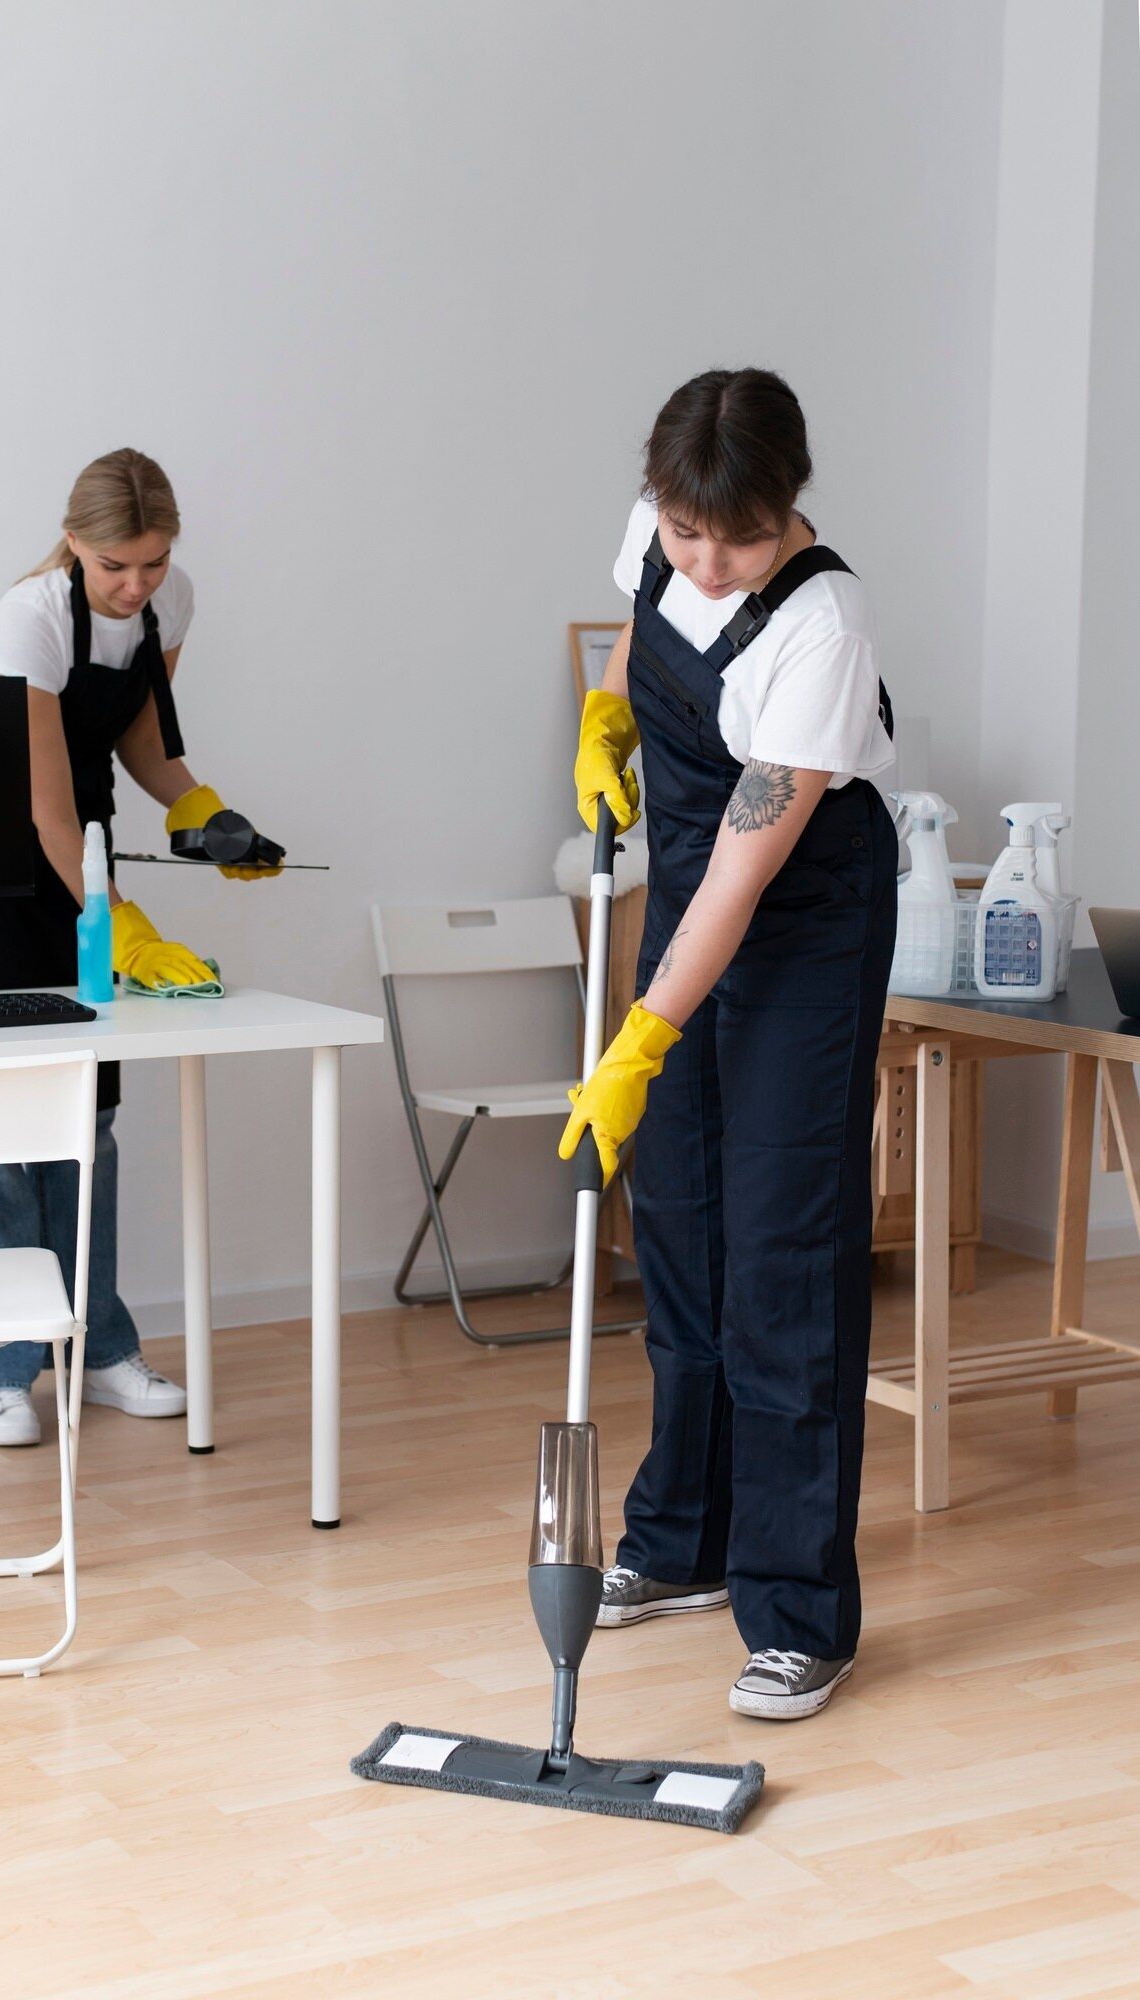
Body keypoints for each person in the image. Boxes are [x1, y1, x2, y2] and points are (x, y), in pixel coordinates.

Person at [561, 369, 897, 1720]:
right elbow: (632, 642)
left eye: (737, 538)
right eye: (687, 530)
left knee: (779, 1246)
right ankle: (677, 1538)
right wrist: (604, 719)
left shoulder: (821, 622)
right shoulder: (656, 529)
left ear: (787, 509)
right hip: (694, 879)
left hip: (797, 918)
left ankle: (797, 1609)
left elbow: (743, 883)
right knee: (682, 1218)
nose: (705, 559)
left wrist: (637, 1037)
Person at [0, 448, 279, 1446]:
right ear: (74, 541)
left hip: (81, 855)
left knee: (91, 1116)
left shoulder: (172, 604)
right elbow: (39, 801)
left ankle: (96, 1343)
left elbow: (144, 746)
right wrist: (118, 926)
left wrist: (204, 814)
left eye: (153, 562)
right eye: (116, 565)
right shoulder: (26, 616)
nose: (135, 584)